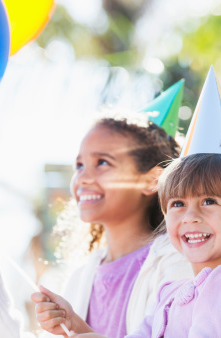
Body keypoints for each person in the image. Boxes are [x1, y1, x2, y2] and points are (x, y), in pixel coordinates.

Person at [38, 153, 221, 338]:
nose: (190, 217)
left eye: (209, 201)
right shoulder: (169, 292)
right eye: (178, 204)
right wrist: (74, 324)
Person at [31, 114, 193, 337]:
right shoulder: (81, 278)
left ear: (152, 181)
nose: (83, 178)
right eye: (79, 165)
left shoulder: (177, 261)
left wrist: (78, 327)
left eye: (103, 163)